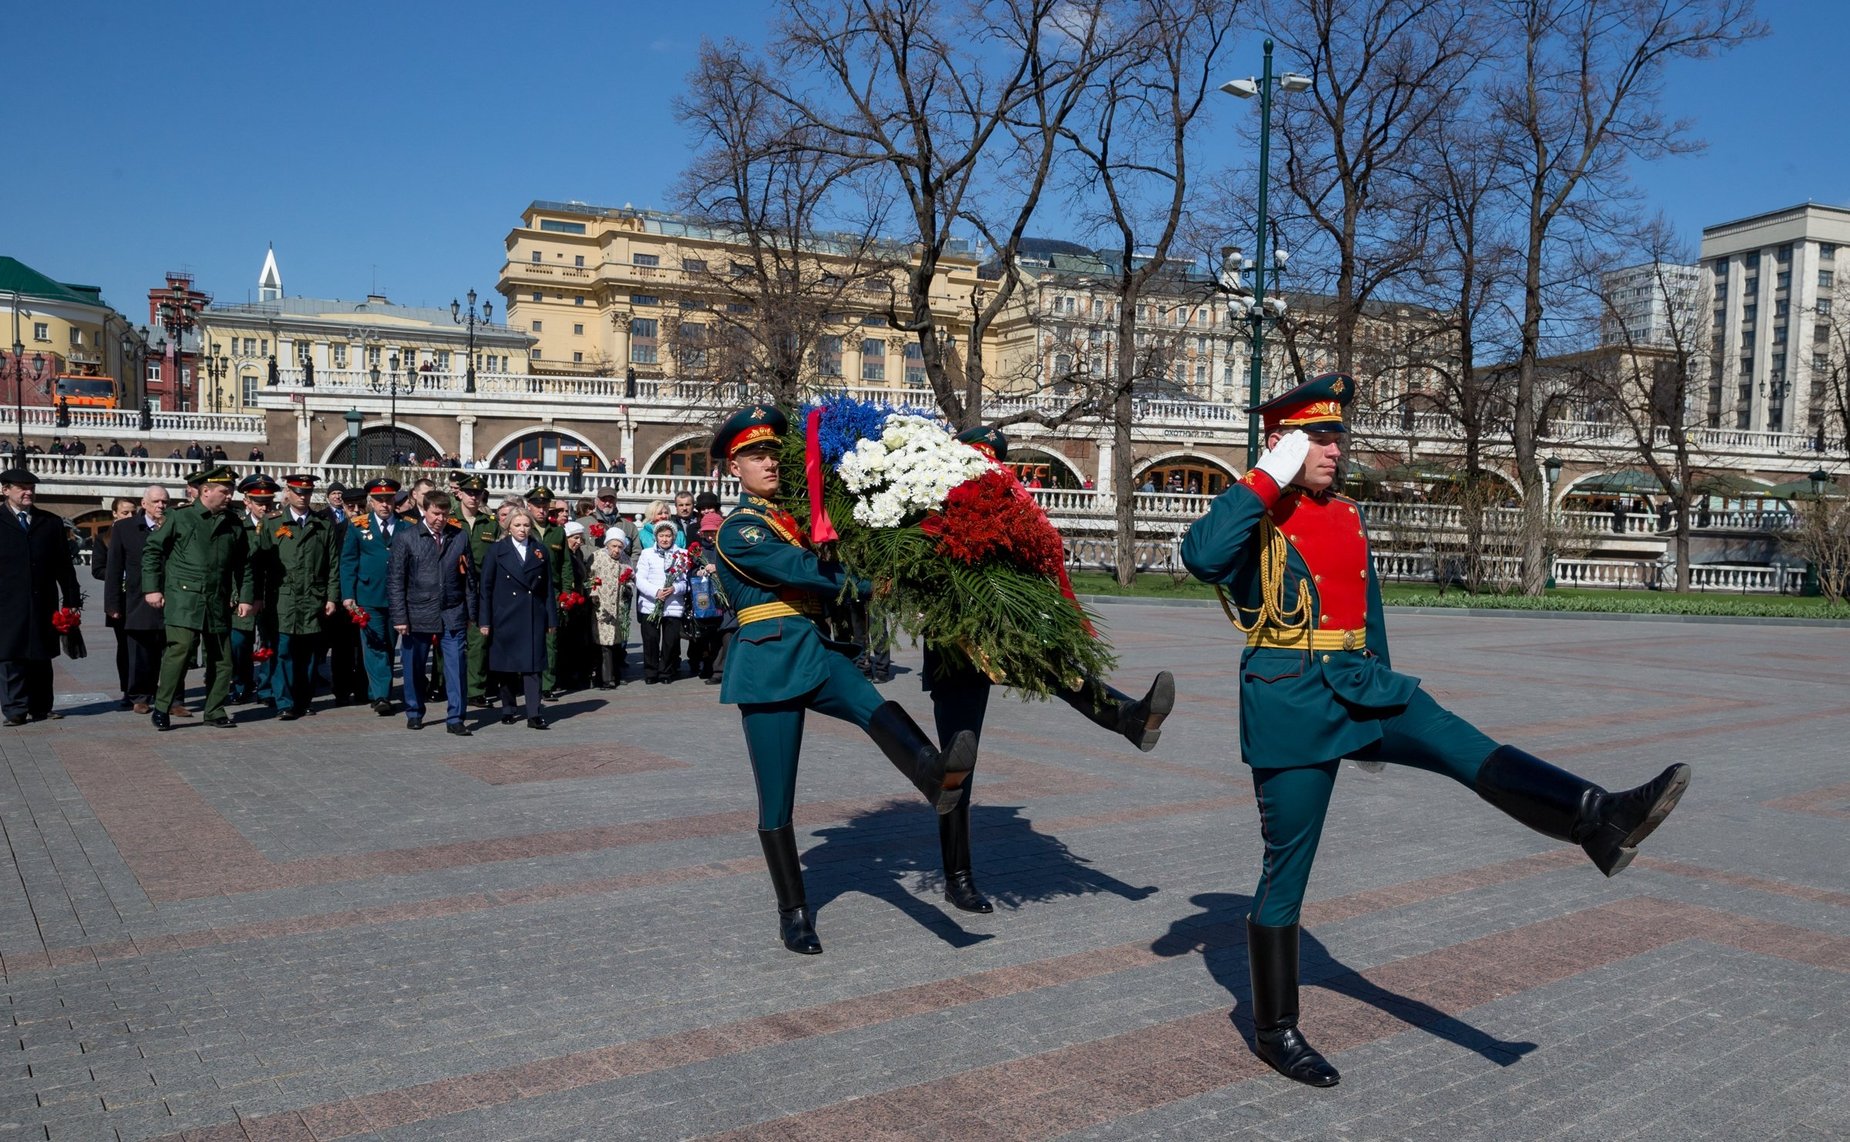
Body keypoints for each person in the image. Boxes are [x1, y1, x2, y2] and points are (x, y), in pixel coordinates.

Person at [1179, 373, 1691, 1088]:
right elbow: (1199, 555)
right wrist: (1269, 475)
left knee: (1459, 742)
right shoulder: (1256, 511)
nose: (1334, 448)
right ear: (1283, 443)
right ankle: (1275, 1030)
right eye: (1317, 437)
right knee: (1286, 875)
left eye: (1337, 435)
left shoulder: (1348, 514)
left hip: (1361, 688)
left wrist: (1383, 703)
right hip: (1290, 704)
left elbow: (1368, 613)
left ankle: (1597, 817)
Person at [709, 406, 978, 956]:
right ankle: (795, 913)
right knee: (777, 799)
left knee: (870, 703)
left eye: (772, 454)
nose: (769, 463)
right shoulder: (739, 529)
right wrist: (864, 582)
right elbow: (800, 571)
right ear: (734, 466)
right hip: (766, 666)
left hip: (812, 647)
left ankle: (934, 777)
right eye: (755, 456)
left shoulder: (795, 516)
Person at [915, 425, 1174, 916]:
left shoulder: (1013, 513)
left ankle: (1130, 717)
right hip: (955, 648)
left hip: (1003, 632)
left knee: (1062, 672)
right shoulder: (933, 505)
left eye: (995, 461)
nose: (988, 469)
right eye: (979, 459)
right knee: (957, 767)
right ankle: (959, 876)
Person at [142, 465, 255, 730]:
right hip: (184, 600)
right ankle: (162, 707)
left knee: (222, 659)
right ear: (205, 491)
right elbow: (152, 550)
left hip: (217, 600)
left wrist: (246, 598)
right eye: (224, 491)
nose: (229, 496)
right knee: (179, 652)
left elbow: (244, 565)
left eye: (230, 492)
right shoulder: (180, 518)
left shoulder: (233, 524)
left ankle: (214, 710)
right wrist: (152, 588)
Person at [0, 469, 83, 725]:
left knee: (41, 655)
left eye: (31, 488)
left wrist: (71, 601)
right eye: (21, 488)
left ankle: (41, 706)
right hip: (6, 604)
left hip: (42, 601)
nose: (28, 492)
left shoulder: (50, 522)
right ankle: (14, 709)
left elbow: (63, 567)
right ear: (5, 490)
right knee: (10, 656)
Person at [389, 491, 475, 735]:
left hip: (452, 611)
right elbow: (396, 580)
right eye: (436, 513)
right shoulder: (407, 538)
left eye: (445, 513)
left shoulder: (459, 537)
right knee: (414, 666)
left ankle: (456, 717)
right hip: (417, 612)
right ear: (424, 510)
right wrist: (400, 617)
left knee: (456, 666)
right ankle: (415, 710)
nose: (441, 518)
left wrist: (471, 612)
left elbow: (469, 578)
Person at [258, 474, 340, 720]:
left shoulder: (322, 524)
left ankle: (303, 700)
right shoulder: (272, 523)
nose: (302, 496)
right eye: (297, 492)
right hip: (283, 598)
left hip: (312, 598)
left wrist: (331, 597)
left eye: (306, 492)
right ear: (288, 493)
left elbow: (332, 565)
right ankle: (284, 702)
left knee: (310, 654)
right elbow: (260, 564)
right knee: (283, 651)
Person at [477, 508, 554, 729]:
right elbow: (486, 587)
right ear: (508, 526)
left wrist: (551, 620)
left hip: (532, 615)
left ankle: (534, 713)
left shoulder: (540, 550)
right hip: (505, 615)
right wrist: (485, 620)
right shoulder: (497, 550)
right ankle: (508, 708)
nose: (522, 529)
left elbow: (548, 588)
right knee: (507, 667)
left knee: (533, 667)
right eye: (518, 525)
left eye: (526, 525)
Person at [103, 485, 170, 714]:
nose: (161, 506)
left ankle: (173, 698)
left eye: (164, 502)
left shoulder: (174, 524)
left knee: (171, 651)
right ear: (144, 504)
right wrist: (112, 604)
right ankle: (139, 696)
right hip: (137, 599)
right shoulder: (125, 528)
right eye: (156, 501)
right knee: (139, 651)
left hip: (170, 599)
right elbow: (113, 568)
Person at [341, 478, 404, 715]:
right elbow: (348, 562)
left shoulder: (406, 525)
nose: (385, 504)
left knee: (389, 645)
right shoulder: (358, 525)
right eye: (379, 500)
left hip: (398, 596)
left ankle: (378, 688)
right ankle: (381, 696)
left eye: (389, 499)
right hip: (368, 594)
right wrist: (348, 595)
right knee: (374, 644)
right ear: (372, 501)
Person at [229, 475, 280, 708]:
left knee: (268, 643)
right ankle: (241, 684)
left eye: (268, 501)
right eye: (259, 502)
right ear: (246, 501)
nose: (264, 506)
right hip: (243, 595)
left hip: (272, 594)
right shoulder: (238, 525)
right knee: (239, 642)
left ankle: (266, 687)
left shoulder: (280, 524)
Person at [453, 476, 500, 706]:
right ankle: (445, 684)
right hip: (452, 585)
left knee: (478, 641)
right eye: (469, 492)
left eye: (478, 493)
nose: (473, 496)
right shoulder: (450, 519)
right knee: (449, 639)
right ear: (459, 493)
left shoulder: (490, 522)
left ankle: (475, 690)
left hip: (480, 588)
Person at [525, 484, 568, 698]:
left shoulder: (558, 532)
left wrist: (566, 592)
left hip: (551, 592)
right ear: (529, 506)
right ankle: (525, 682)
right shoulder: (523, 530)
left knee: (550, 641)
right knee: (526, 639)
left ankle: (547, 685)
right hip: (527, 593)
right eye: (537, 505)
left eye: (545, 506)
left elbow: (565, 564)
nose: (541, 510)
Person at [634, 520, 688, 683]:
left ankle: (666, 671)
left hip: (673, 605)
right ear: (656, 537)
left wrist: (675, 588)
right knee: (650, 640)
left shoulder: (682, 554)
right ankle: (651, 672)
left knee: (670, 641)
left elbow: (686, 582)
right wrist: (656, 592)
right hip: (650, 604)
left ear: (674, 537)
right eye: (661, 535)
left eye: (668, 536)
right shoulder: (647, 554)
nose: (665, 539)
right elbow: (639, 578)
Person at [589, 529, 634, 688]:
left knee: (616, 644)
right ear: (607, 544)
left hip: (619, 607)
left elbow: (631, 578)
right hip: (601, 606)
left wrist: (628, 587)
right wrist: (593, 593)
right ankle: (604, 678)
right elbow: (590, 578)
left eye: (620, 547)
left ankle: (615, 675)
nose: (616, 550)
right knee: (603, 644)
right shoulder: (597, 557)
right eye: (613, 546)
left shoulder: (626, 559)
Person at [557, 520, 596, 690]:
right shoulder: (562, 555)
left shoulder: (578, 555)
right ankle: (564, 677)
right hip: (568, 603)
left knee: (579, 642)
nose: (578, 542)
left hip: (580, 604)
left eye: (580, 539)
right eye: (575, 538)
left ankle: (577, 675)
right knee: (565, 643)